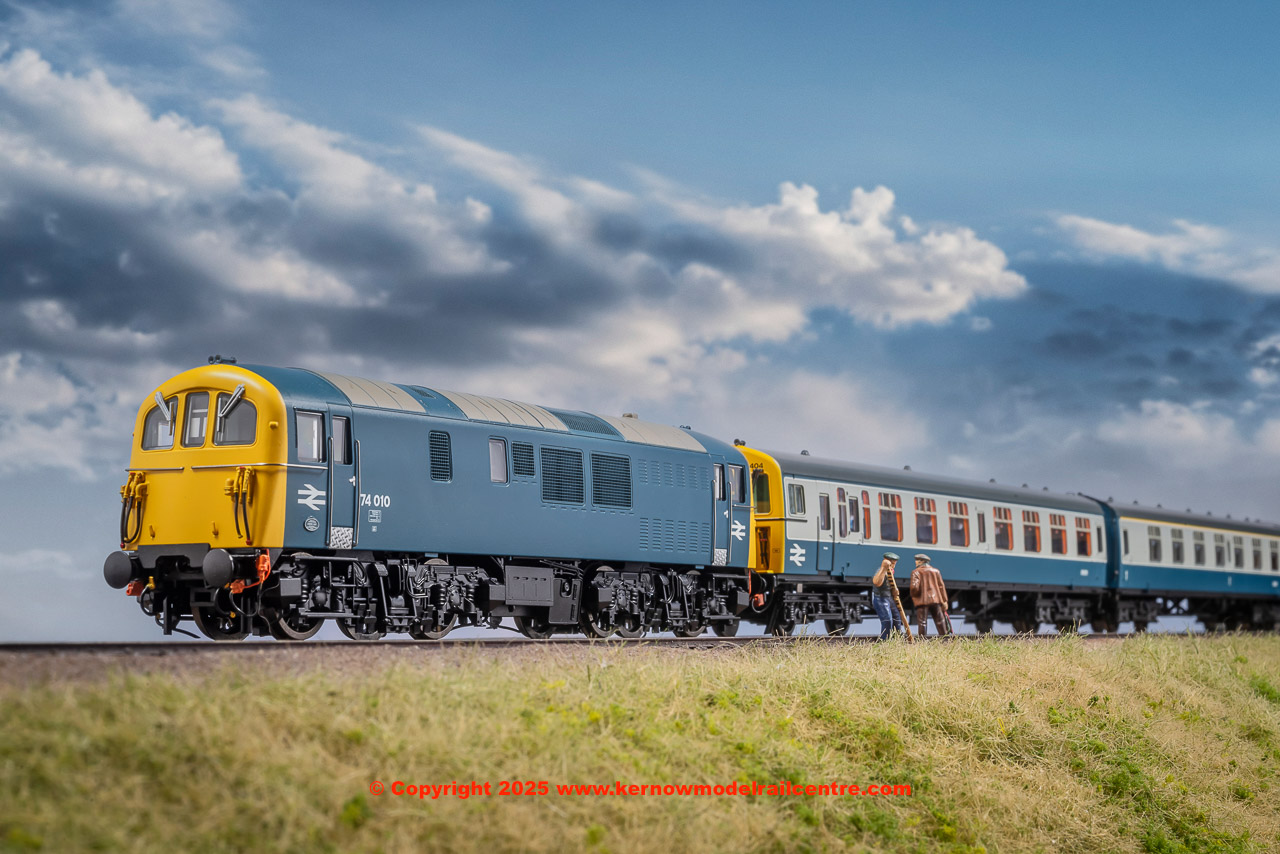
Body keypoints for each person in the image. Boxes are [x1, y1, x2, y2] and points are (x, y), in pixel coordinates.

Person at [908, 553, 953, 637]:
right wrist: (944, 600)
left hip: (922, 601)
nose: (916, 562)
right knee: (940, 620)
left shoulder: (916, 572)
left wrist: (914, 595)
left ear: (921, 561)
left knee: (922, 622)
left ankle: (922, 639)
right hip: (935, 600)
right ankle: (945, 638)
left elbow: (914, 587)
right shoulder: (936, 571)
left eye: (917, 561)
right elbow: (941, 586)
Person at [870, 552, 904, 640]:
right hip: (881, 598)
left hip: (889, 598)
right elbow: (877, 582)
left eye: (895, 564)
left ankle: (897, 637)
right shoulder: (881, 571)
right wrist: (883, 568)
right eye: (892, 564)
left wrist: (894, 590)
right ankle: (885, 639)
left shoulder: (890, 571)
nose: (894, 566)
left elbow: (890, 585)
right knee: (887, 620)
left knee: (897, 618)